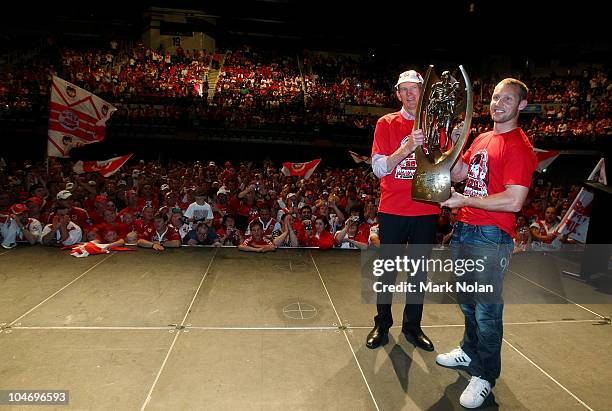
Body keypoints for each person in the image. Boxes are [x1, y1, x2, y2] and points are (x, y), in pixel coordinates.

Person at [437, 78, 538, 408]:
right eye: (496, 97)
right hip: (466, 229)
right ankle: (468, 352)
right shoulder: (482, 137)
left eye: (507, 99)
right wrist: (454, 147)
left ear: (521, 105)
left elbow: (514, 201)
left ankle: (485, 374)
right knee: (467, 302)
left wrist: (466, 200)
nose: (499, 103)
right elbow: (458, 175)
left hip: (491, 235)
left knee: (487, 313)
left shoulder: (519, 146)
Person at [367, 69, 440, 351]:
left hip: (426, 210)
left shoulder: (435, 124)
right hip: (393, 209)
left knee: (418, 274)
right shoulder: (386, 123)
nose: (410, 95)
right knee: (387, 272)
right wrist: (406, 148)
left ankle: (413, 327)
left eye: (415, 89)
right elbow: (378, 168)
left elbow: (444, 167)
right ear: (398, 94)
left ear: (424, 93)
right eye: (405, 90)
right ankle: (382, 324)